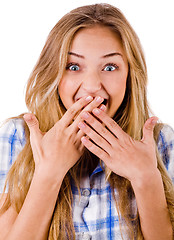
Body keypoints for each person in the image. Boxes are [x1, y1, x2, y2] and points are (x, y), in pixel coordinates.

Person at [0, 3, 174, 240]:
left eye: (110, 67)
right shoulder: (18, 137)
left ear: (130, 76)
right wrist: (49, 172)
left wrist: (146, 179)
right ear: (54, 73)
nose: (92, 86)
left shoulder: (161, 142)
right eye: (73, 66)